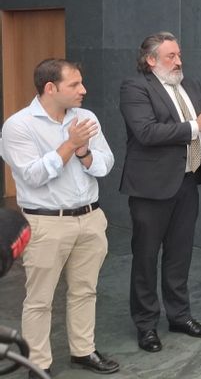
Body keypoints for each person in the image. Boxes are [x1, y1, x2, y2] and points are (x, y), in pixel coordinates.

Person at [1, 59, 119, 377]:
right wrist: (70, 144)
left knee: (85, 290)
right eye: (75, 85)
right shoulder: (18, 125)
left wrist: (83, 153)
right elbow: (33, 176)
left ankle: (83, 351)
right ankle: (37, 364)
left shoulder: (86, 117)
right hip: (45, 223)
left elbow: (105, 164)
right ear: (50, 88)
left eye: (82, 83)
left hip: (91, 218)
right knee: (39, 299)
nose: (84, 90)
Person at [119, 32, 201, 353]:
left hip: (186, 182)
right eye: (170, 56)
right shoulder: (135, 87)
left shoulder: (191, 85)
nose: (179, 61)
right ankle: (145, 325)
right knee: (145, 257)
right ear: (151, 59)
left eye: (179, 54)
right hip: (151, 187)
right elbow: (146, 132)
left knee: (179, 255)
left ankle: (179, 316)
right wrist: (200, 123)